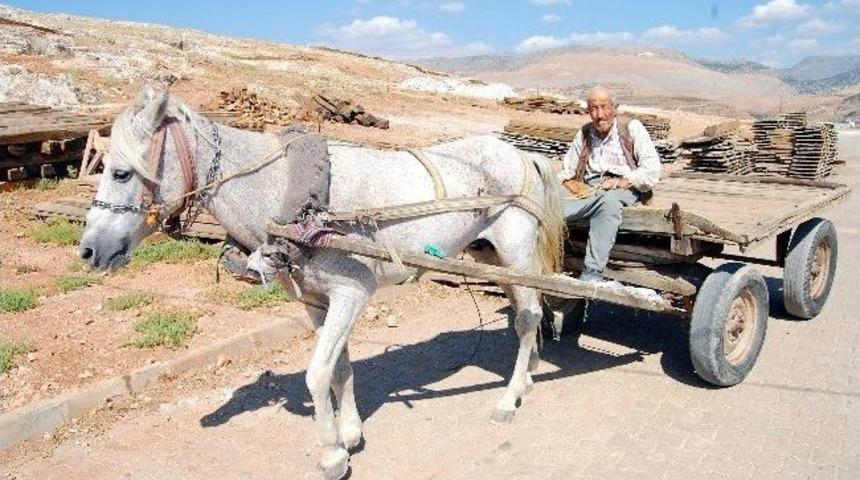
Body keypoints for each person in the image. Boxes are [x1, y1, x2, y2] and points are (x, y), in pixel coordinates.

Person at [559, 86, 661, 282]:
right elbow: (568, 170)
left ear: (615, 108)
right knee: (551, 196)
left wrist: (621, 181)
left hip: (625, 186)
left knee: (607, 203)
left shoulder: (631, 128)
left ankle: (592, 272)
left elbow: (651, 170)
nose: (599, 115)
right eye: (593, 109)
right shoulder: (585, 133)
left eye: (604, 107)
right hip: (589, 186)